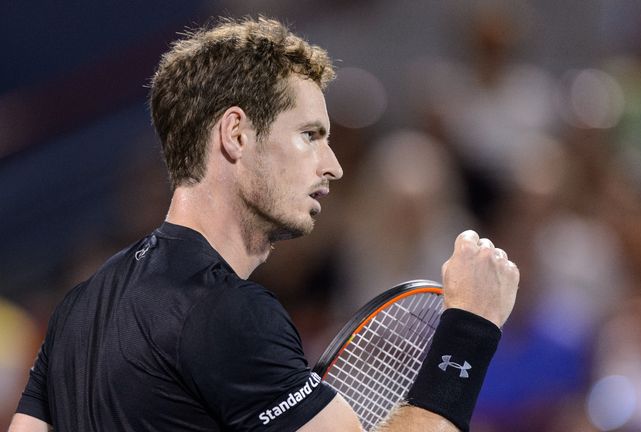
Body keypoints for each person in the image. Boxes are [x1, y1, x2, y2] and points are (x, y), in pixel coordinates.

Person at [8, 17, 519, 432]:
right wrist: (470, 327)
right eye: (309, 135)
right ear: (236, 134)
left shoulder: (78, 307)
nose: (333, 165)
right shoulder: (228, 312)